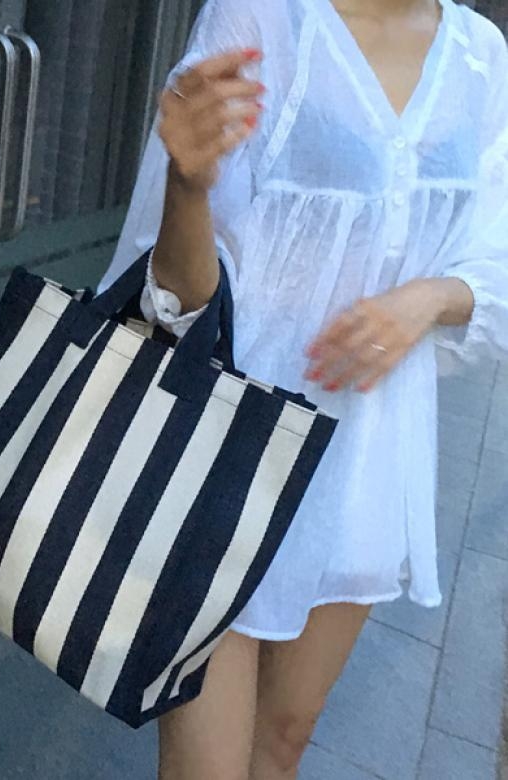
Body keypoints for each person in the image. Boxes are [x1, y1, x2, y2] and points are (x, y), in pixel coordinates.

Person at [98, 0, 508, 777]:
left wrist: (431, 298)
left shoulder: (481, 55)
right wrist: (187, 185)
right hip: (226, 451)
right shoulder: (262, 17)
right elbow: (173, 292)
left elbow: (497, 252)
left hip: (364, 463)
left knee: (285, 740)